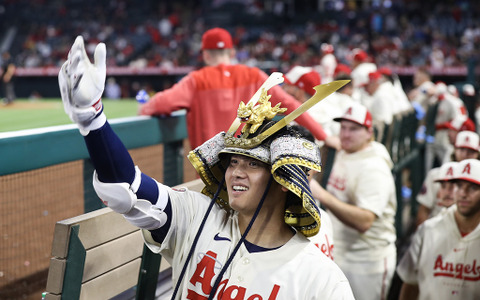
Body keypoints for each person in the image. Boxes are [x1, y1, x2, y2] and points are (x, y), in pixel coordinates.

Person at [58, 36, 354, 299]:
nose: (236, 171)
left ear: (281, 178)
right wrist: (92, 119)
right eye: (232, 161)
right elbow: (127, 189)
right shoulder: (197, 217)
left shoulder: (322, 280)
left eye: (252, 164)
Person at [138, 27, 339, 150]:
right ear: (232, 52)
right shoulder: (253, 75)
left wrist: (145, 108)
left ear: (206, 55)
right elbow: (293, 106)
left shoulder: (197, 80)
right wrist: (323, 136)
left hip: (211, 170)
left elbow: (162, 103)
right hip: (248, 168)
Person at [309, 103, 397, 300]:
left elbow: (364, 221)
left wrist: (321, 194)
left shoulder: (374, 167)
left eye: (354, 129)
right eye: (343, 127)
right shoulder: (345, 151)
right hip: (338, 252)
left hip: (366, 260)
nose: (346, 134)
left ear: (369, 133)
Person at [397, 159, 480, 300]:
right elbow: (410, 283)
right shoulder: (428, 230)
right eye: (459, 186)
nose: (463, 193)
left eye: (472, 188)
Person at [416, 130, 480, 226]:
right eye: (462, 149)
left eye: (471, 151)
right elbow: (424, 210)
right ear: (454, 149)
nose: (465, 154)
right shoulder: (436, 174)